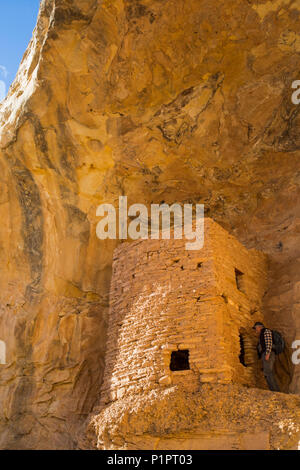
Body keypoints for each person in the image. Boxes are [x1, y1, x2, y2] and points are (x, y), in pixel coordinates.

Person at [253, 321, 280, 392]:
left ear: (260, 327)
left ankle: (275, 390)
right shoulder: (262, 334)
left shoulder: (266, 331)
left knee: (268, 372)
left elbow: (269, 342)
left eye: (256, 328)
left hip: (268, 353)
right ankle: (274, 390)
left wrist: (268, 353)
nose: (255, 330)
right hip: (266, 353)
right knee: (268, 372)